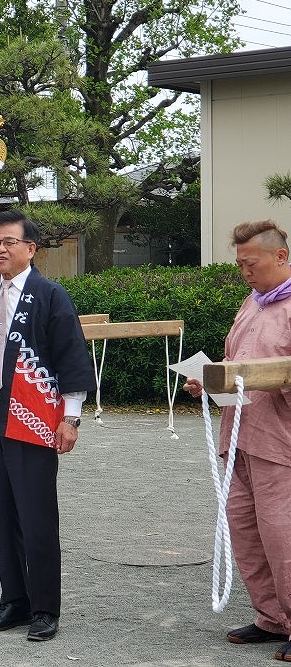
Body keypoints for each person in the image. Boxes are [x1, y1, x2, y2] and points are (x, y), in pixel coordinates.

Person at [0, 210, 95, 642]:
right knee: (3, 516)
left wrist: (71, 418)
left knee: (37, 515)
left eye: (9, 241)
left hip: (33, 420)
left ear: (31, 248)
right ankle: (14, 600)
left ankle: (45, 606)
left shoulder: (49, 295)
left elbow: (70, 359)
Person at [183, 220, 291, 660]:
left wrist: (254, 379)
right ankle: (271, 617)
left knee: (282, 535)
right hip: (239, 438)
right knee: (245, 531)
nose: (245, 271)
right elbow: (237, 367)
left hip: (279, 443)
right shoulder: (252, 303)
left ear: (280, 257)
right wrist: (210, 382)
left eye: (252, 263)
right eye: (240, 264)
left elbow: (269, 373)